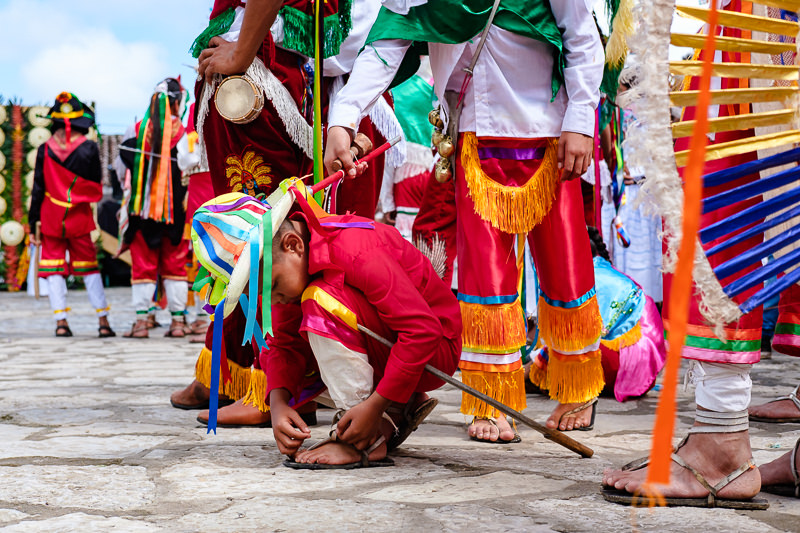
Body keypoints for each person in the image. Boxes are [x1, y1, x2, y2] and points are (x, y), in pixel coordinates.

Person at [325, 0, 605, 443]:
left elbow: (581, 33)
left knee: (564, 266)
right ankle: (492, 397)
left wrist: (581, 119)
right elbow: (388, 42)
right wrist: (343, 116)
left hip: (551, 128)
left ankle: (578, 385)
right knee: (483, 275)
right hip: (474, 131)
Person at [191, 183, 461, 467]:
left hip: (434, 352)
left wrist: (374, 406)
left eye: (274, 287)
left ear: (293, 245)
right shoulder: (294, 271)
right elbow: (284, 345)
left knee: (319, 301)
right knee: (299, 327)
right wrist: (279, 406)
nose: (275, 300)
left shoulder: (355, 250)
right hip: (396, 347)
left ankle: (362, 438)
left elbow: (422, 331)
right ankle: (399, 403)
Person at [527, 227, 667, 422]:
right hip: (644, 372)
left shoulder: (584, 276)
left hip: (621, 363)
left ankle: (532, 379)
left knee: (564, 341)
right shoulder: (607, 271)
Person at [28, 92, 115, 338]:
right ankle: (103, 321)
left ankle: (61, 322)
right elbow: (96, 185)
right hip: (79, 215)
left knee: (53, 269)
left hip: (51, 216)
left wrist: (33, 221)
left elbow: (38, 188)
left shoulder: (45, 149)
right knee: (89, 267)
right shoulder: (89, 148)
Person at [119, 77, 191, 339]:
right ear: (176, 102)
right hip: (174, 213)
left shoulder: (136, 130)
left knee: (142, 265)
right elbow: (190, 166)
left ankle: (141, 322)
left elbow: (121, 166)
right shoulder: (182, 133)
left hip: (141, 210)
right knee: (175, 265)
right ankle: (178, 322)